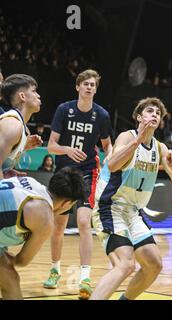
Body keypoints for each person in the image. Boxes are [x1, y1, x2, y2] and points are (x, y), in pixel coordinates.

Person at [90, 97, 172, 300]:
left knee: (154, 263)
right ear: (139, 117)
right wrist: (137, 140)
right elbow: (111, 165)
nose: (154, 114)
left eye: (158, 113)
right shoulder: (126, 137)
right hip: (110, 207)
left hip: (133, 212)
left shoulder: (160, 148)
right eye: (149, 111)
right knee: (125, 264)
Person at [44, 69, 113, 299]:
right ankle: (55, 270)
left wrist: (109, 165)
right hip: (63, 173)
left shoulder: (101, 115)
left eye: (93, 84)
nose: (89, 87)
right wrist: (66, 150)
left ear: (96, 88)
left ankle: (85, 277)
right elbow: (51, 146)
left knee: (84, 222)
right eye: (85, 84)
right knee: (59, 226)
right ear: (78, 87)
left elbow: (107, 147)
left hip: (86, 172)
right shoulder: (64, 110)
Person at [0, 167, 86, 299]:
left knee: (10, 279)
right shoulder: (44, 218)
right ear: (67, 203)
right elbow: (22, 260)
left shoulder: (29, 181)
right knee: (10, 279)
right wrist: (11, 258)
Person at [0, 74, 43, 179]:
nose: (38, 96)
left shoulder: (23, 128)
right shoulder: (13, 124)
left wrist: (6, 172)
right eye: (33, 91)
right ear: (22, 96)